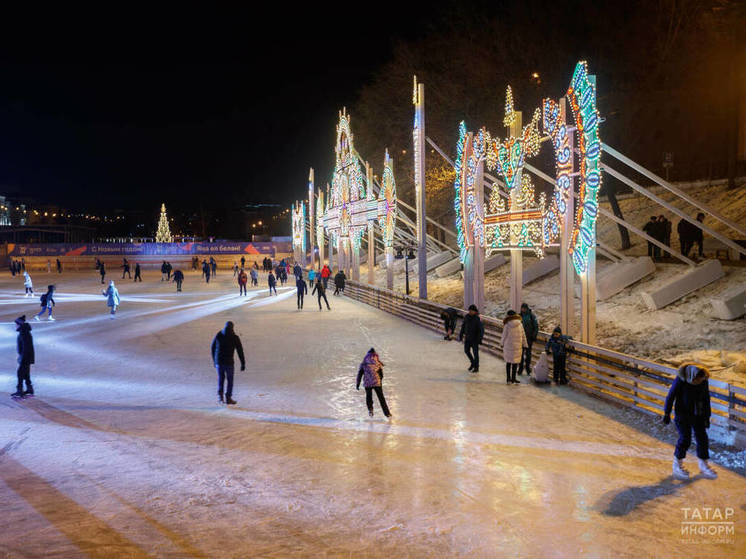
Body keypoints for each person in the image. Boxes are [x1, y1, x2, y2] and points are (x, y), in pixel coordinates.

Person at [663, 363, 717, 480]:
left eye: (702, 380)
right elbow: (671, 396)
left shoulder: (703, 380)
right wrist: (667, 413)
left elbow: (706, 399)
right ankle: (677, 464)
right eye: (698, 380)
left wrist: (707, 417)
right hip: (682, 414)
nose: (700, 382)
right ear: (692, 377)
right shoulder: (681, 380)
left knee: (702, 438)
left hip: (698, 414)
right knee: (685, 439)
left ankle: (703, 464)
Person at [211, 321, 245, 405]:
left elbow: (212, 347)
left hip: (219, 362)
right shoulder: (234, 337)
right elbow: (240, 351)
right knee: (230, 380)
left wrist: (214, 360)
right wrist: (243, 363)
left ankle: (220, 397)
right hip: (229, 363)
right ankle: (228, 397)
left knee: (221, 379)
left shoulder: (219, 334)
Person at [356, 347, 391, 418]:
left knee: (369, 397)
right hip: (376, 382)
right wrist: (380, 381)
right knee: (381, 398)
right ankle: (387, 413)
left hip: (367, 383)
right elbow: (381, 374)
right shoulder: (377, 362)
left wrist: (358, 383)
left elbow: (360, 374)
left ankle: (370, 410)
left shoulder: (364, 363)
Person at [502, 310, 528, 384]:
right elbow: (523, 335)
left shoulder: (507, 325)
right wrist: (525, 344)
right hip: (517, 346)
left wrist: (501, 343)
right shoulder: (520, 324)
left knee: (508, 363)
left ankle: (508, 379)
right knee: (515, 363)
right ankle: (513, 379)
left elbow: (504, 335)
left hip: (509, 346)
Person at [11, 315, 35, 399]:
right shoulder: (24, 331)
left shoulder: (23, 333)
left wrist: (22, 358)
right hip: (26, 357)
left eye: (16, 324)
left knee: (20, 373)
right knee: (26, 374)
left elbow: (26, 347)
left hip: (25, 357)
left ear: (19, 324)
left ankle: (19, 391)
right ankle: (29, 389)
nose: (15, 326)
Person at [459, 304, 484, 373]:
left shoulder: (478, 318)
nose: (469, 312)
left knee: (475, 354)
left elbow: (481, 330)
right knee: (466, 351)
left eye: (471, 310)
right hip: (467, 338)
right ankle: (473, 362)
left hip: (475, 339)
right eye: (469, 310)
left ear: (475, 311)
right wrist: (461, 335)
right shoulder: (467, 317)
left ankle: (476, 367)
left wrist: (479, 339)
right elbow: (463, 326)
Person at [518, 303, 539, 375]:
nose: (523, 309)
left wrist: (534, 336)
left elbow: (536, 326)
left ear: (527, 308)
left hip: (529, 338)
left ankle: (527, 368)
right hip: (520, 338)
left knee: (528, 354)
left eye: (524, 308)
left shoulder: (531, 316)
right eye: (522, 308)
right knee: (520, 354)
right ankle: (520, 368)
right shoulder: (519, 316)